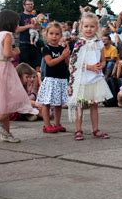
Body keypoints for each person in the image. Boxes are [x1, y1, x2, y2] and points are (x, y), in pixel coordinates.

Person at [0, 10, 39, 143]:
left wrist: (29, 26)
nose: (18, 24)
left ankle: (6, 134)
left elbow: (18, 30)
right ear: (11, 23)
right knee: (13, 98)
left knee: (4, 101)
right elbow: (8, 53)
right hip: (4, 68)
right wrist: (16, 51)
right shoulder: (8, 36)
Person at [68, 12, 112, 140]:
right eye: (86, 26)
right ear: (81, 27)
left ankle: (95, 129)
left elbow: (103, 60)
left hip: (95, 79)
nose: (89, 29)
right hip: (82, 79)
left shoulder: (99, 43)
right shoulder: (79, 43)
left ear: (96, 28)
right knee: (80, 105)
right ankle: (78, 129)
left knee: (94, 105)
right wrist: (90, 67)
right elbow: (74, 62)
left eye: (92, 26)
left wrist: (101, 65)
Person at [36, 22, 70, 133]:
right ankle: (47, 125)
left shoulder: (61, 48)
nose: (54, 36)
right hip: (51, 79)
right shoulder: (46, 48)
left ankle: (57, 123)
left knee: (58, 103)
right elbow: (49, 62)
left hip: (61, 79)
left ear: (61, 35)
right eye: (51, 33)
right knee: (47, 103)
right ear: (46, 35)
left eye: (57, 34)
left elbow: (67, 63)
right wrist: (62, 56)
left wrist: (66, 54)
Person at [17, 0, 39, 70]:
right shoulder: (20, 16)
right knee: (25, 69)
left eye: (31, 4)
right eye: (28, 4)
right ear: (24, 6)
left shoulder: (34, 17)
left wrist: (39, 27)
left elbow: (39, 29)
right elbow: (16, 29)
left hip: (34, 45)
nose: (30, 6)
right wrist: (29, 26)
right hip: (24, 45)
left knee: (34, 68)